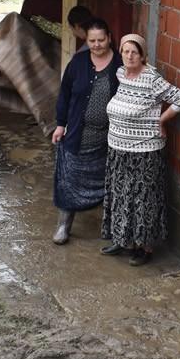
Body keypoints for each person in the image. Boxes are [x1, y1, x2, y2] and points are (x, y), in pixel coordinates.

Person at [101, 34, 180, 266]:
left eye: (134, 52)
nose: (129, 56)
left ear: (142, 55)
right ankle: (124, 240)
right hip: (118, 149)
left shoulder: (151, 78)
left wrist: (162, 121)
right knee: (121, 197)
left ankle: (145, 248)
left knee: (143, 200)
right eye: (126, 51)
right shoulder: (121, 74)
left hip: (144, 151)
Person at [51, 18, 121, 244]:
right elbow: (65, 95)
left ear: (109, 38)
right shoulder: (78, 62)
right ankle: (63, 226)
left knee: (110, 181)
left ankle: (111, 228)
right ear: (86, 40)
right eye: (92, 40)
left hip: (110, 138)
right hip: (78, 134)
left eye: (101, 40)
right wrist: (61, 124)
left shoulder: (120, 64)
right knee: (69, 179)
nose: (97, 44)